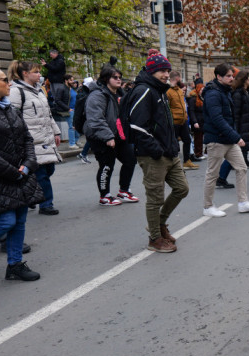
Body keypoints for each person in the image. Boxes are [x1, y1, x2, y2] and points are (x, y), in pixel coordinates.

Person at [126, 49, 190, 252]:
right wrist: (156, 150)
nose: (165, 74)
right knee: (155, 198)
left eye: (167, 70)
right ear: (151, 71)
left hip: (169, 152)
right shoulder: (144, 90)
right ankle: (154, 238)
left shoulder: (160, 90)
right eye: (161, 70)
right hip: (153, 155)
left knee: (182, 189)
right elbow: (136, 126)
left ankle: (159, 223)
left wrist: (170, 148)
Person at [0, 68, 43, 281]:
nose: (10, 83)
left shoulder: (11, 110)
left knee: (20, 220)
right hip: (2, 178)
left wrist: (28, 164)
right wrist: (12, 172)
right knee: (6, 222)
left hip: (21, 176)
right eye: (5, 80)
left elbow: (27, 139)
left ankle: (14, 265)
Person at [201, 63, 249, 217]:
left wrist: (234, 136)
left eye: (232, 76)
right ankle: (208, 207)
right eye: (228, 76)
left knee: (241, 168)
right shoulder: (213, 93)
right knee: (212, 174)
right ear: (218, 77)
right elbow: (217, 119)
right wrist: (236, 137)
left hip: (228, 139)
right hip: (216, 140)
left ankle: (243, 203)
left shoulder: (225, 91)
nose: (231, 78)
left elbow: (230, 118)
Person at [8, 60, 62, 216]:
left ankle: (30, 193)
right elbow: (13, 117)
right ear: (25, 74)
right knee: (42, 173)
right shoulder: (16, 91)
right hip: (31, 140)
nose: (40, 75)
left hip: (45, 138)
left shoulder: (38, 90)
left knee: (48, 168)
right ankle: (46, 204)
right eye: (36, 72)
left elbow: (48, 114)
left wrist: (56, 132)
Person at [83, 66, 139, 206]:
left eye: (120, 77)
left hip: (118, 134)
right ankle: (105, 196)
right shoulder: (97, 95)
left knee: (130, 159)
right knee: (107, 165)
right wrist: (107, 137)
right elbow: (95, 119)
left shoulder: (119, 93)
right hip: (100, 136)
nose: (119, 80)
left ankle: (124, 191)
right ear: (106, 79)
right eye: (115, 77)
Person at [167, 71, 198, 170]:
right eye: (180, 78)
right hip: (174, 121)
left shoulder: (180, 91)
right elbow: (167, 107)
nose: (181, 79)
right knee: (174, 143)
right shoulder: (168, 91)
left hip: (183, 120)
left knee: (187, 140)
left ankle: (186, 161)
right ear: (177, 78)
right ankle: (173, 163)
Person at [73, 77, 94, 163]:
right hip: (85, 119)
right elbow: (78, 111)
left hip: (88, 118)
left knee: (91, 137)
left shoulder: (88, 93)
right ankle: (83, 154)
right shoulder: (82, 95)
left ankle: (83, 153)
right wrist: (75, 123)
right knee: (91, 137)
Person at [187, 77, 206, 160]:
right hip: (197, 121)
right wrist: (194, 122)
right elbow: (191, 111)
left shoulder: (202, 97)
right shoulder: (193, 98)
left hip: (203, 120)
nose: (202, 90)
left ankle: (202, 152)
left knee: (203, 137)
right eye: (201, 89)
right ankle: (198, 153)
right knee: (198, 138)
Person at [65, 75, 78, 147]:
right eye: (71, 80)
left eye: (73, 80)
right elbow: (59, 100)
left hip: (75, 110)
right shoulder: (65, 89)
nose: (73, 82)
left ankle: (75, 141)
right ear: (66, 81)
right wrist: (68, 108)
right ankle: (72, 144)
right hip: (70, 110)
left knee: (76, 126)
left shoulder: (72, 89)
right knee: (72, 127)